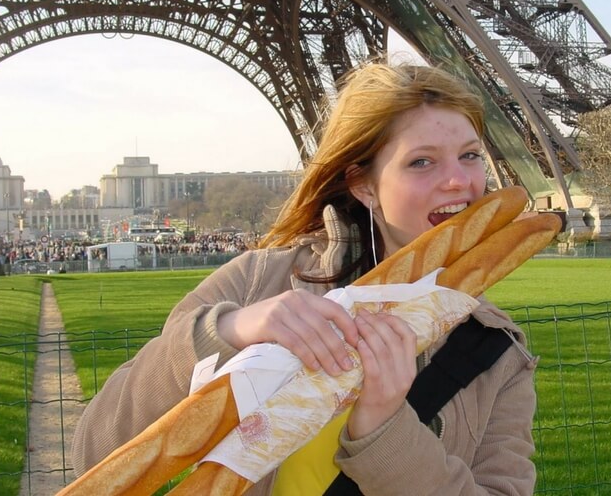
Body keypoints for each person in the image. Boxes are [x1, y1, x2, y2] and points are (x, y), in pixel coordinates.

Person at [71, 62, 537, 495]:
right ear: (363, 184)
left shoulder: (495, 351)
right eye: (422, 161)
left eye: (470, 156)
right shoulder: (256, 284)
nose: (459, 181)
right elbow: (94, 452)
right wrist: (225, 334)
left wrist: (385, 428)